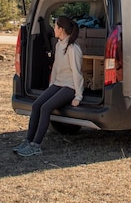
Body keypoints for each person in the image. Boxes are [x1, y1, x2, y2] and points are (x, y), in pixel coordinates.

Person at [13, 15, 84, 157]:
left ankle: (36, 145)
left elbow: (78, 73)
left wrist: (78, 96)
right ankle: (28, 141)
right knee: (36, 105)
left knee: (46, 108)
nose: (53, 29)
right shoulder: (59, 45)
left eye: (56, 26)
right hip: (58, 84)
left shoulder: (73, 49)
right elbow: (56, 68)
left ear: (62, 29)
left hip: (70, 87)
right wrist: (50, 87)